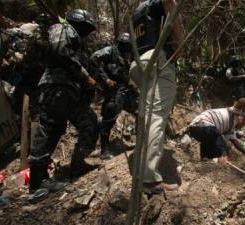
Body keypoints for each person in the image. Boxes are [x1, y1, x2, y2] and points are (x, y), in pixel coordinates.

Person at [28, 9, 98, 193]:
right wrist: (85, 76)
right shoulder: (62, 28)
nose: (89, 33)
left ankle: (77, 166)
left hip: (69, 94)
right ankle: (37, 183)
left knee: (88, 123)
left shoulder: (80, 44)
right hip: (56, 88)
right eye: (87, 28)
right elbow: (61, 50)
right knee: (49, 129)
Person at [130, 0, 184, 194]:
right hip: (157, 61)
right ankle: (149, 179)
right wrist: (180, 42)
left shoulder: (138, 10)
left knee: (147, 115)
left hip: (139, 63)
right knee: (157, 117)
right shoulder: (155, 3)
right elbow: (171, 3)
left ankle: (140, 169)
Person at [90, 32, 138, 160]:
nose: (129, 49)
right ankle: (104, 150)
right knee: (108, 119)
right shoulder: (110, 51)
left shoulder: (124, 57)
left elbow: (124, 75)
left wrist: (132, 87)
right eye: (127, 46)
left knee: (140, 109)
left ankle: (141, 143)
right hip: (113, 91)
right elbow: (94, 58)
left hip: (124, 91)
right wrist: (105, 79)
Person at [188, 98, 245, 165]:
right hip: (204, 124)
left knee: (208, 143)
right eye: (243, 125)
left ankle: (205, 165)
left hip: (195, 129)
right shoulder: (234, 112)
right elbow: (242, 101)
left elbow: (236, 143)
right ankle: (222, 169)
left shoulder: (230, 129)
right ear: (241, 118)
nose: (241, 127)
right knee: (222, 149)